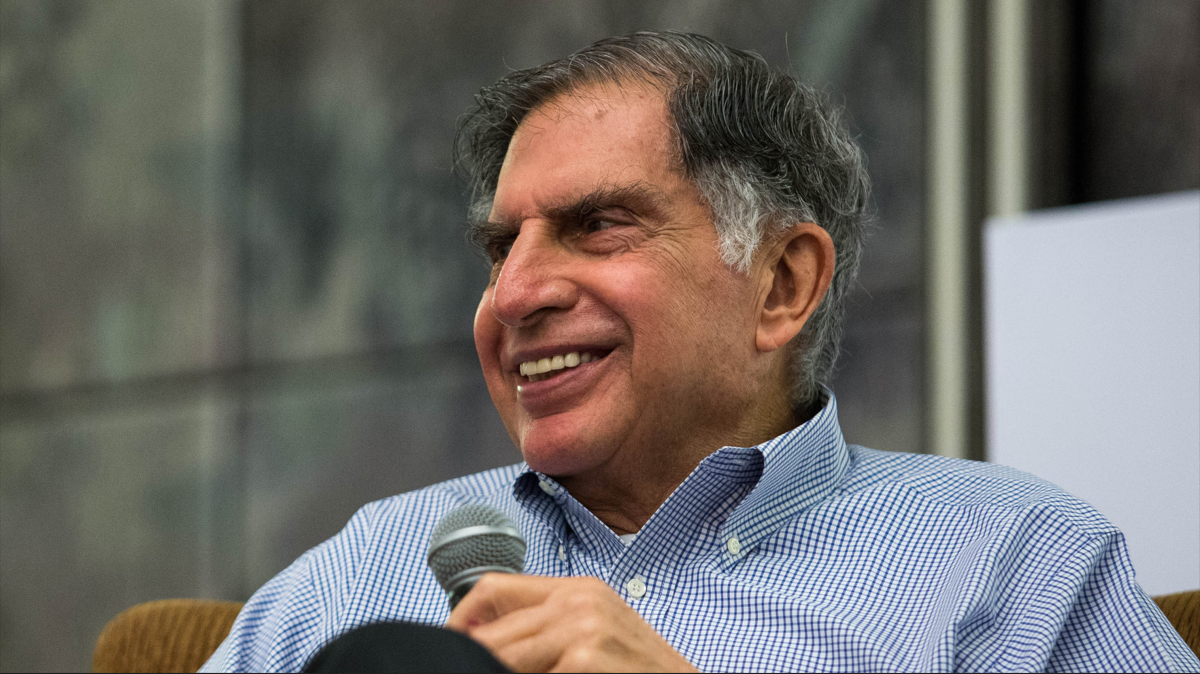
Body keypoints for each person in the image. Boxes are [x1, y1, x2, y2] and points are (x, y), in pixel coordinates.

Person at [202, 32, 1199, 673]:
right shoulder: (363, 567)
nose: (514, 293)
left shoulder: (1017, 567)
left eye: (598, 224)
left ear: (781, 285)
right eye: (503, 245)